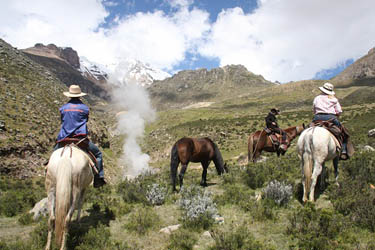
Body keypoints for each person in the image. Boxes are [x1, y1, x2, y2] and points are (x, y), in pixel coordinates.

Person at [55, 84, 106, 188]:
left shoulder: (63, 108)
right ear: (80, 95)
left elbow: (62, 121)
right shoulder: (84, 108)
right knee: (98, 154)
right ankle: (98, 178)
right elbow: (85, 120)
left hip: (64, 139)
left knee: (53, 155)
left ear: (69, 95)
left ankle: (47, 170)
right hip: (79, 140)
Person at [312, 82, 348, 157]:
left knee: (308, 129)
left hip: (317, 117)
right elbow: (339, 111)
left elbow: (314, 110)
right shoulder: (334, 99)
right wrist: (337, 115)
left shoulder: (317, 98)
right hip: (331, 118)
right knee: (343, 132)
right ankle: (343, 151)